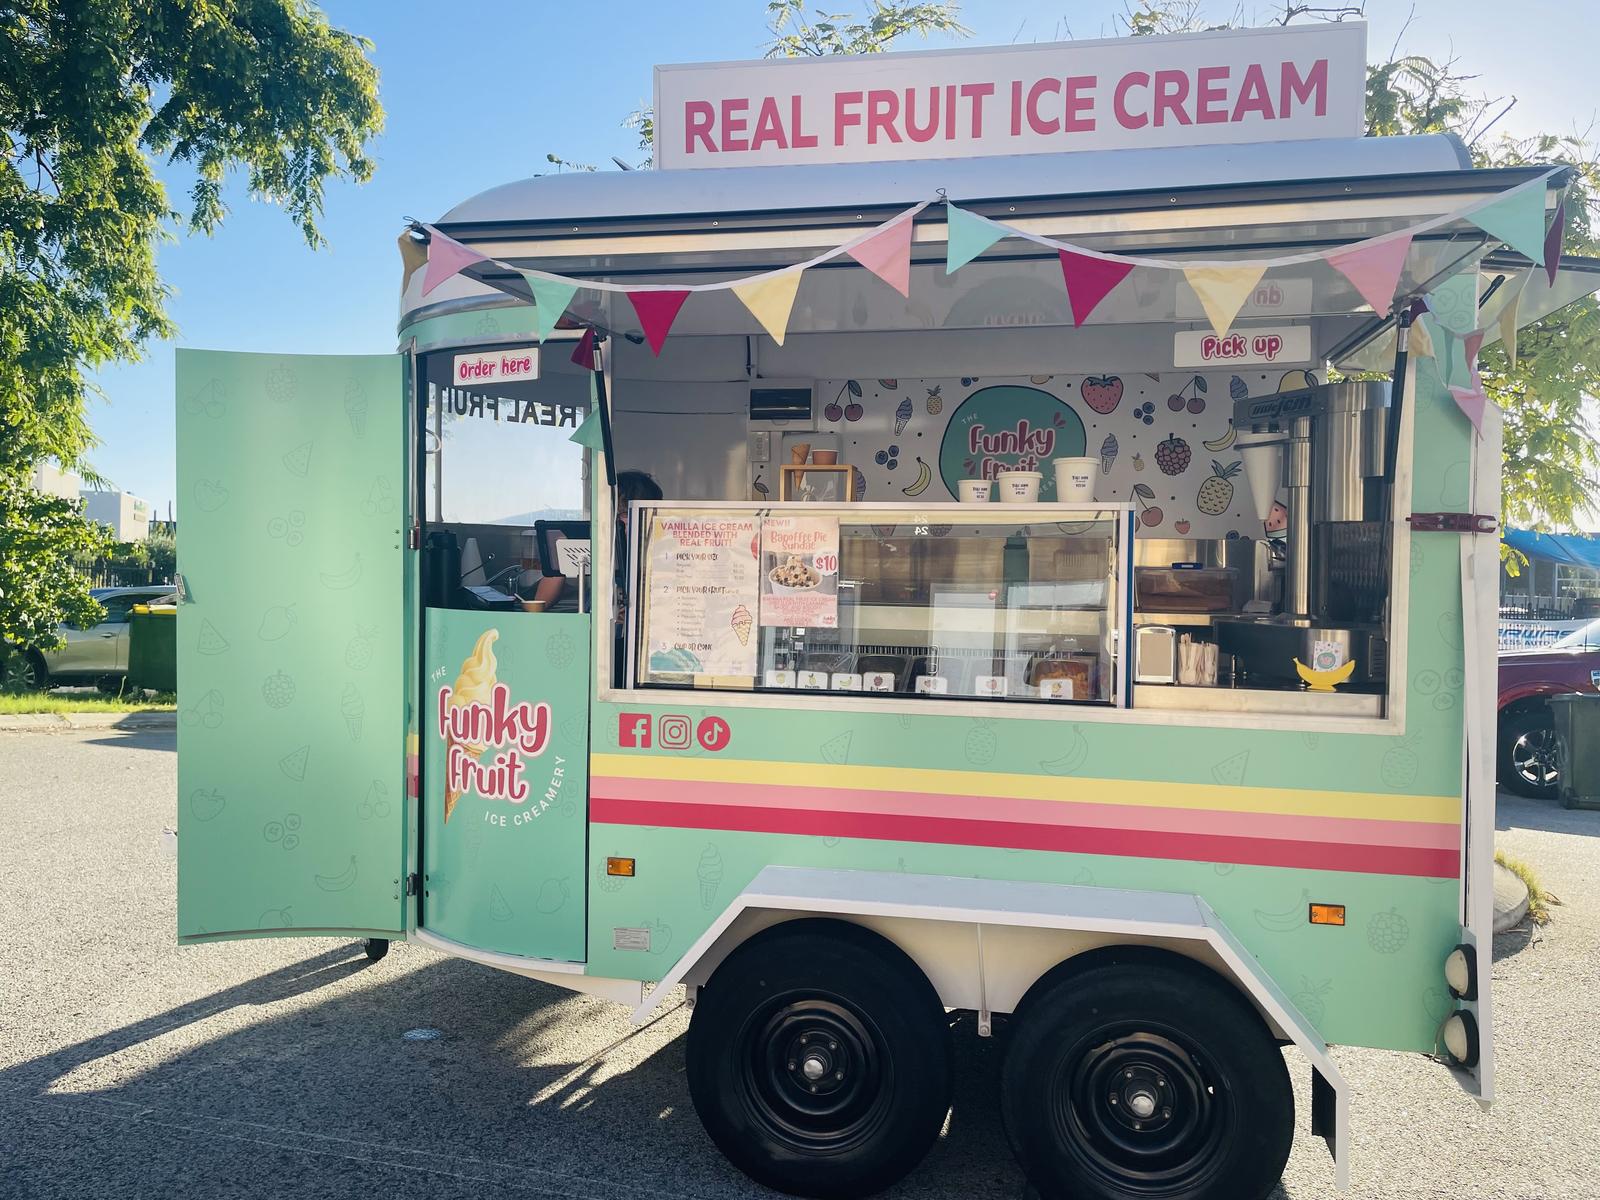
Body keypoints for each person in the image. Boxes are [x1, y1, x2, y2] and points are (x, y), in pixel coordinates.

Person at [613, 470, 662, 683]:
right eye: (619, 517)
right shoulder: (610, 547)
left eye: (625, 515)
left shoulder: (665, 547)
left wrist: (639, 611)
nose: (622, 525)